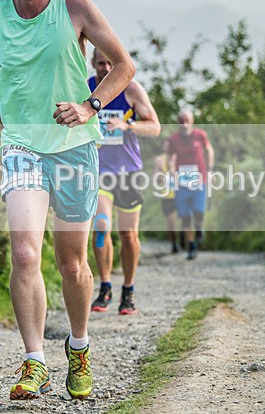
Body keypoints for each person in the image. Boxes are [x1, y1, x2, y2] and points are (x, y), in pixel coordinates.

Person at [0, 0, 135, 401]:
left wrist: (90, 106)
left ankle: (78, 348)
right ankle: (34, 360)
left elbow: (123, 64)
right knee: (24, 252)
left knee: (72, 263)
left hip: (75, 146)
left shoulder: (75, 6)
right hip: (21, 144)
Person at [88, 48, 160, 315]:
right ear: (92, 64)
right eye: (100, 64)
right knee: (101, 227)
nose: (106, 69)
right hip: (99, 171)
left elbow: (155, 126)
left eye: (110, 62)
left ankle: (128, 290)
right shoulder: (86, 89)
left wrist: (128, 126)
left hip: (129, 171)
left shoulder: (131, 89)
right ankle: (105, 286)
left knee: (128, 235)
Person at [167, 110, 214, 260]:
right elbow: (170, 157)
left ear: (192, 121)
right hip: (182, 182)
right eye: (181, 121)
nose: (184, 124)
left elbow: (209, 150)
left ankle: (199, 226)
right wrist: (171, 169)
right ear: (178, 123)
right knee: (185, 217)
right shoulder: (173, 139)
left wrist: (210, 169)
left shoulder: (200, 135)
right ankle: (192, 246)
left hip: (199, 180)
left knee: (199, 212)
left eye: (187, 120)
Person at [154, 145, 184, 254]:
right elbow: (156, 178)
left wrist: (173, 171)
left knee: (184, 219)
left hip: (181, 194)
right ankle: (174, 244)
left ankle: (183, 239)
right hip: (167, 195)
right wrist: (160, 175)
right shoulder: (159, 160)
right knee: (171, 222)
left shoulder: (181, 157)